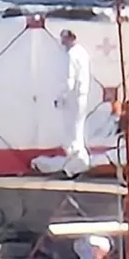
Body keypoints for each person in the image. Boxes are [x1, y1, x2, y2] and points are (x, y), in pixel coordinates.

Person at [55, 28, 93, 175]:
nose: (62, 42)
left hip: (72, 96)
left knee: (71, 132)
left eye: (63, 39)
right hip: (82, 95)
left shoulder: (71, 55)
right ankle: (80, 162)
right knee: (78, 129)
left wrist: (60, 97)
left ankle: (74, 166)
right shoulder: (83, 52)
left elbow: (69, 80)